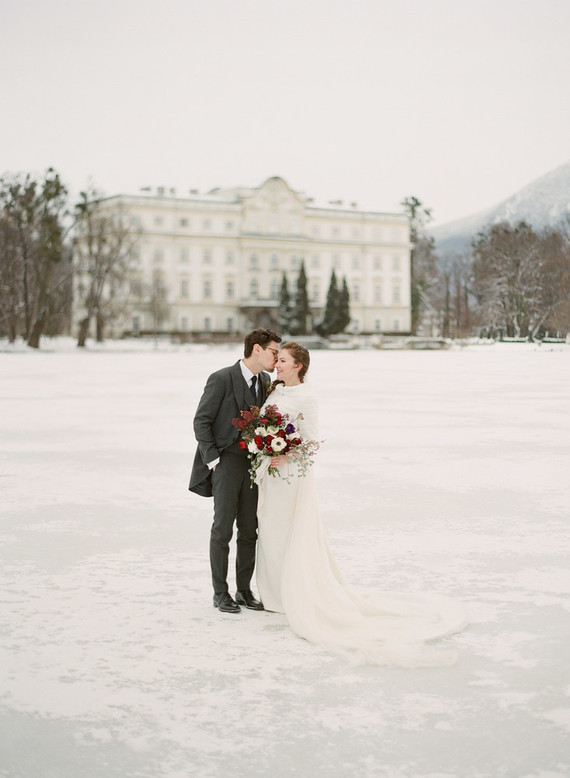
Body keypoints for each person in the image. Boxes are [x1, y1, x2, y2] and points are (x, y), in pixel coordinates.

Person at [255, 342, 468, 667]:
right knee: (270, 530)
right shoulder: (275, 392)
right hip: (270, 473)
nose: (277, 364)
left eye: (283, 360)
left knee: (289, 531)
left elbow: (311, 440)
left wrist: (284, 453)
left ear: (298, 366)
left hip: (292, 474)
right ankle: (273, 594)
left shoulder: (307, 398)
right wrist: (265, 447)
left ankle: (295, 594)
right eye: (278, 359)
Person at [189, 328, 282, 614]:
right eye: (273, 352)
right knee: (222, 529)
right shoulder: (221, 378)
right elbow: (201, 421)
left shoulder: (266, 380)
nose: (276, 359)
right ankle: (220, 593)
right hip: (226, 463)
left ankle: (243, 591)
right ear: (256, 349)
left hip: (253, 464)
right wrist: (214, 459)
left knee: (249, 529)